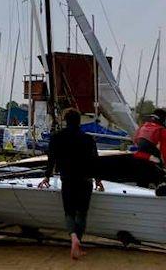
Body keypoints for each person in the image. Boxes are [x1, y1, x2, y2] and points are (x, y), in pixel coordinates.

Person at [38, 108, 103, 260]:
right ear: (79, 121)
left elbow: (51, 160)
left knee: (69, 212)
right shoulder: (88, 139)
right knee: (81, 213)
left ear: (66, 121)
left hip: (67, 180)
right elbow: (95, 162)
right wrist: (98, 180)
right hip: (85, 181)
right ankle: (78, 242)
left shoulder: (57, 138)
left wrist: (47, 177)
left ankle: (73, 237)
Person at [132, 108, 166, 195]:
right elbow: (164, 151)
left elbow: (135, 142)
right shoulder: (161, 130)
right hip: (151, 161)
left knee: (141, 184)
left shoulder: (142, 127)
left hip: (137, 159)